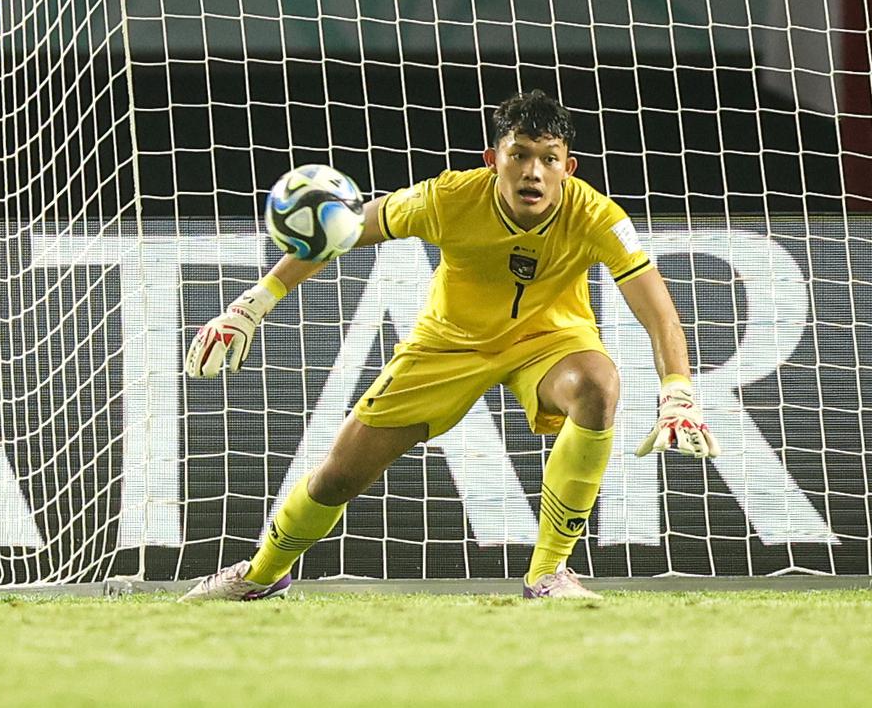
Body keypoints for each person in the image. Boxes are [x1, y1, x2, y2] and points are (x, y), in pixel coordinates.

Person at [180, 90, 720, 601]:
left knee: (598, 384)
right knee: (339, 475)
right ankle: (261, 574)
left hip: (549, 341)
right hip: (446, 346)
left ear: (567, 167)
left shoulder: (597, 216)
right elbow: (341, 227)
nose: (533, 171)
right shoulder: (448, 198)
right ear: (494, 159)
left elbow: (657, 307)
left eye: (549, 159)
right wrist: (252, 304)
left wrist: (678, 388)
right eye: (520, 154)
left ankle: (549, 573)